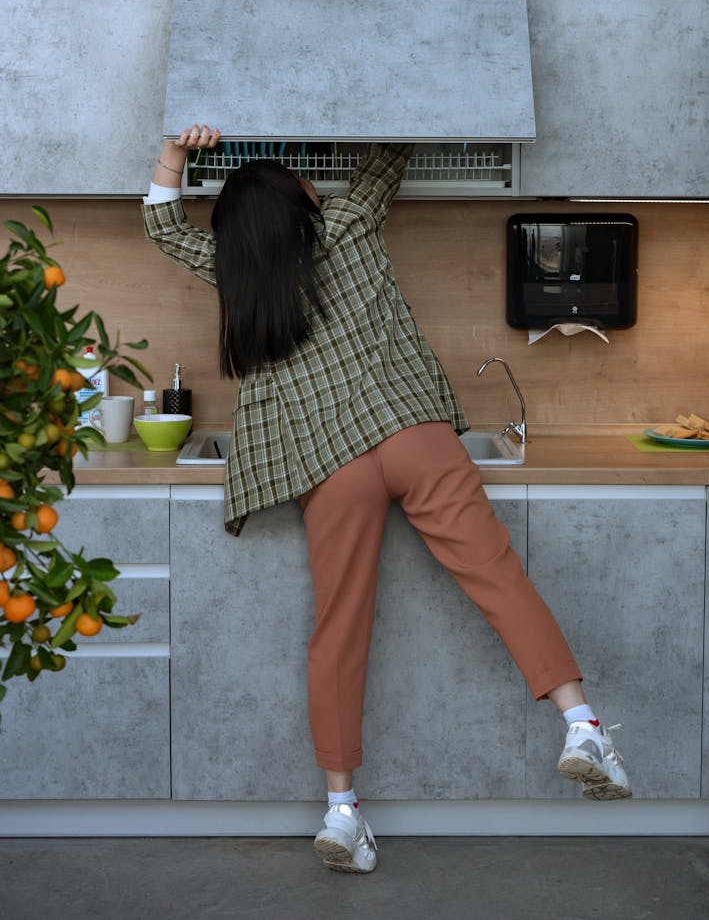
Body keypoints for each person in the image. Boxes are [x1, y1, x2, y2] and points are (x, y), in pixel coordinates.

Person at [143, 124, 632, 875]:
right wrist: (365, 97)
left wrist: (181, 151)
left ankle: (342, 811)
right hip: (413, 432)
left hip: (330, 464)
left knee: (337, 630)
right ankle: (581, 724)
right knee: (498, 576)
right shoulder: (347, 222)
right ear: (302, 197)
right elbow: (388, 153)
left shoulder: (234, 273)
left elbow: (159, 224)